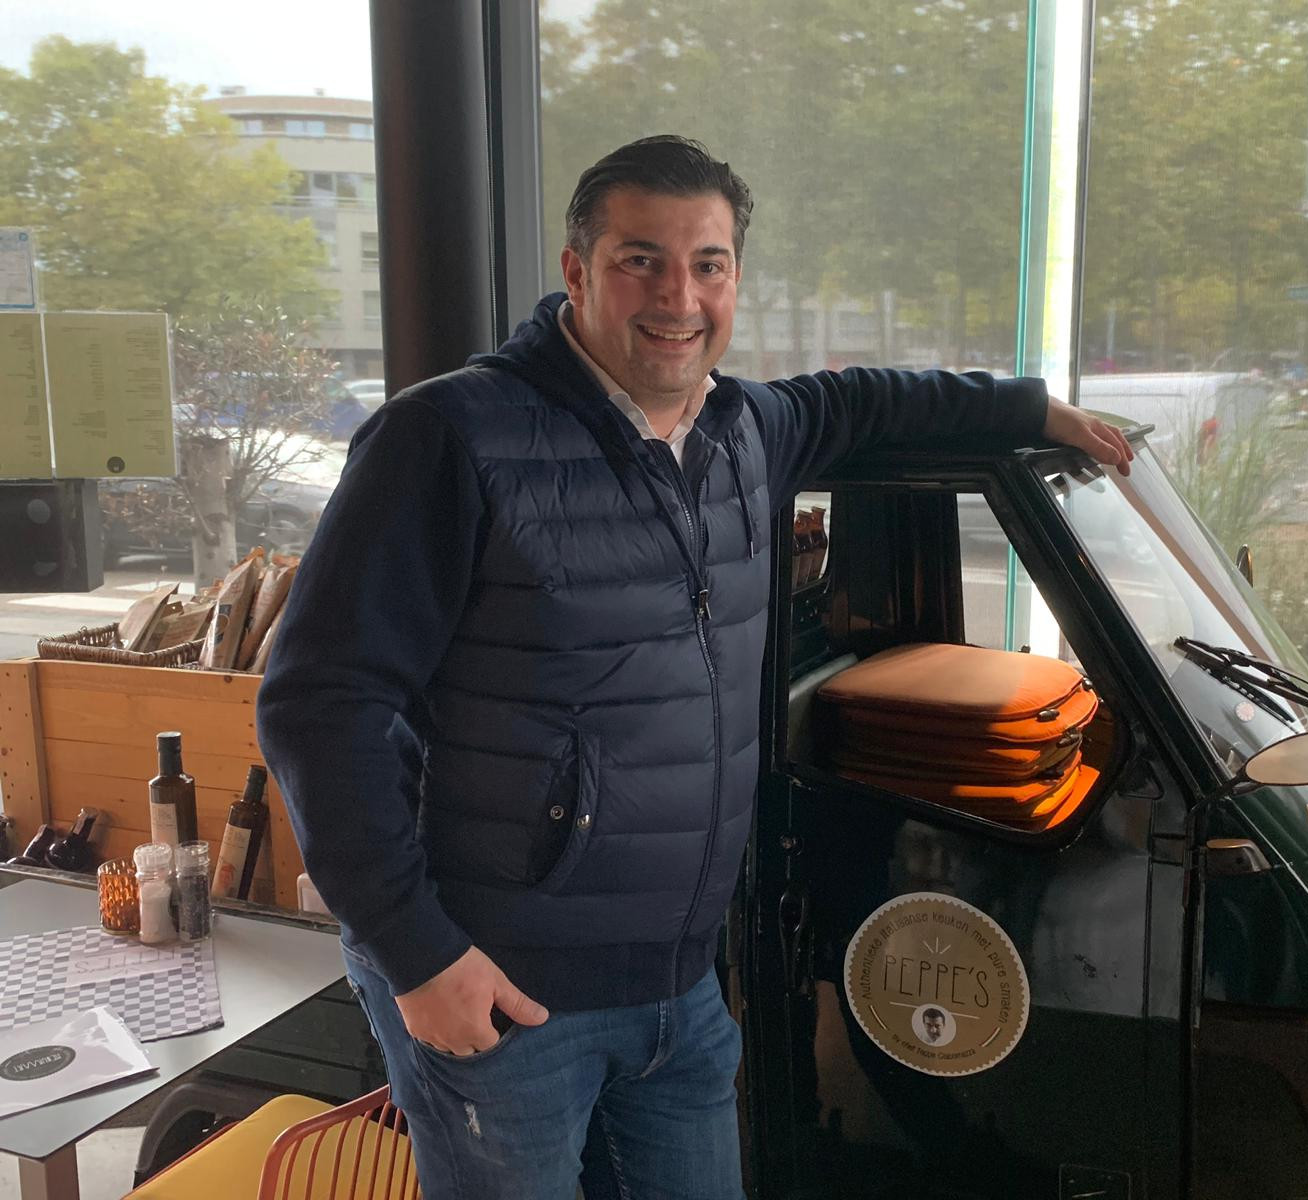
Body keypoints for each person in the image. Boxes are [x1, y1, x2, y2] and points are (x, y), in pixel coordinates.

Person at [257, 134, 1132, 1200]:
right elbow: (321, 706)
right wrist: (418, 955)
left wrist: (1028, 409)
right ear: (577, 271)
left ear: (735, 279)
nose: (678, 296)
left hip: (681, 990)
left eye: (707, 264)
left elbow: (874, 399)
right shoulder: (449, 437)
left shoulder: (746, 429)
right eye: (641, 260)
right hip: (502, 995)